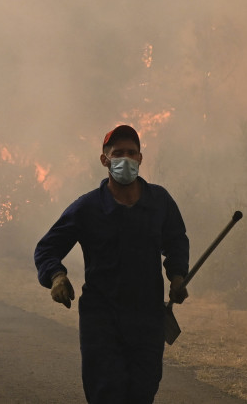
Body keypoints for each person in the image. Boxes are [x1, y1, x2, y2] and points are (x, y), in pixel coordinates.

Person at [34, 125, 190, 404]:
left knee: (143, 391)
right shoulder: (87, 208)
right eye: (118, 153)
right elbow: (47, 247)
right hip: (102, 319)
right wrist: (56, 276)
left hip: (148, 317)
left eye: (132, 153)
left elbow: (176, 241)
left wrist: (178, 276)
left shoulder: (160, 201)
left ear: (141, 159)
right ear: (104, 159)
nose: (126, 159)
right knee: (106, 392)